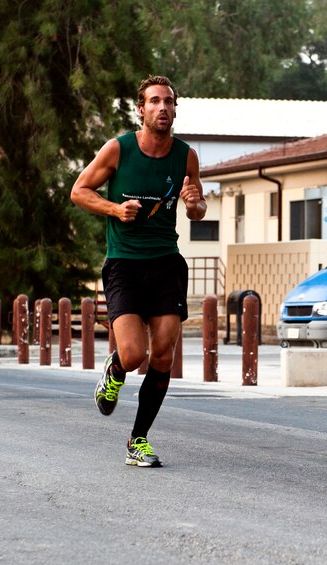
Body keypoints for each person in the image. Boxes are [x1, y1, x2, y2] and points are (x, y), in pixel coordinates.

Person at [71, 75, 206, 467]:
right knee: (132, 355)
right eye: (155, 101)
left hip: (166, 263)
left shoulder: (186, 156)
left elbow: (197, 210)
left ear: (175, 109)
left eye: (169, 102)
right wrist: (115, 209)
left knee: (162, 356)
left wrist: (195, 203)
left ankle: (138, 441)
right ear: (141, 109)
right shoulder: (118, 149)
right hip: (125, 264)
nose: (163, 108)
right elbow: (79, 191)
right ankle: (113, 372)